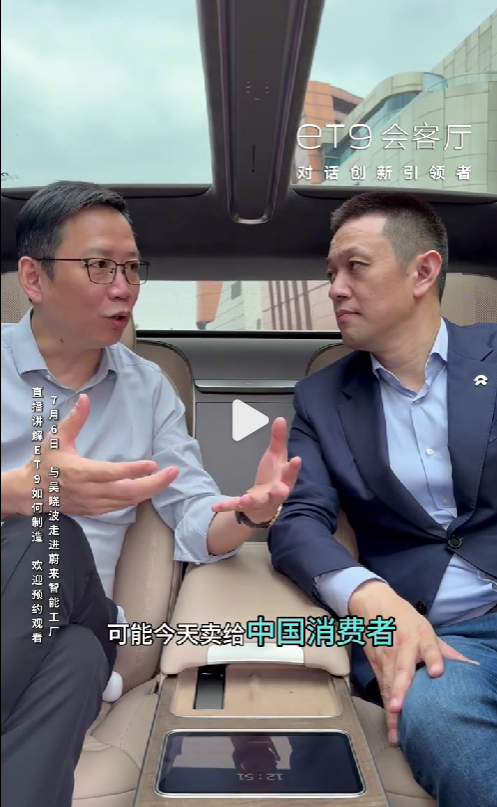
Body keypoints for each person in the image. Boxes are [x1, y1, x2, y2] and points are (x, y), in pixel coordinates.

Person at [1, 180, 302, 807]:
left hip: (76, 599)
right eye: (99, 266)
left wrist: (248, 514)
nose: (123, 287)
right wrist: (22, 490)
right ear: (33, 277)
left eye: (133, 268)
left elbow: (193, 513)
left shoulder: (148, 389)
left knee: (48, 538)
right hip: (67, 641)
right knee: (80, 661)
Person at [268, 191, 496, 807]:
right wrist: (372, 599)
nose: (335, 289)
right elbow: (298, 523)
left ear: (423, 272)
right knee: (439, 716)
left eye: (355, 267)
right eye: (331, 273)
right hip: (442, 639)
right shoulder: (321, 398)